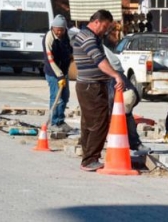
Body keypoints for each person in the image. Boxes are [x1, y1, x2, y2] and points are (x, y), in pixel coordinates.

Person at [72, 9, 124, 172]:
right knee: (99, 122)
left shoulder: (90, 36)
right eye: (105, 26)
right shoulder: (88, 37)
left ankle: (87, 157)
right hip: (91, 86)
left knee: (88, 123)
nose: (106, 30)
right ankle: (90, 159)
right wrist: (116, 76)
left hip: (90, 85)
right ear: (96, 22)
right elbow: (99, 61)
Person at [103, 28, 150, 153]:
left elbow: (133, 100)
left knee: (127, 118)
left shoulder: (132, 94)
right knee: (104, 117)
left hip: (117, 76)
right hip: (106, 75)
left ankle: (134, 143)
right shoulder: (112, 91)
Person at [43, 14, 74, 133]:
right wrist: (59, 75)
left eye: (61, 30)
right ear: (52, 28)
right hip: (52, 72)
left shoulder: (66, 35)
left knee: (65, 97)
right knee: (56, 97)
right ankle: (54, 122)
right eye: (57, 30)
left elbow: (70, 49)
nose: (59, 32)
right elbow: (50, 60)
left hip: (63, 71)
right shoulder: (49, 38)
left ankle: (60, 120)